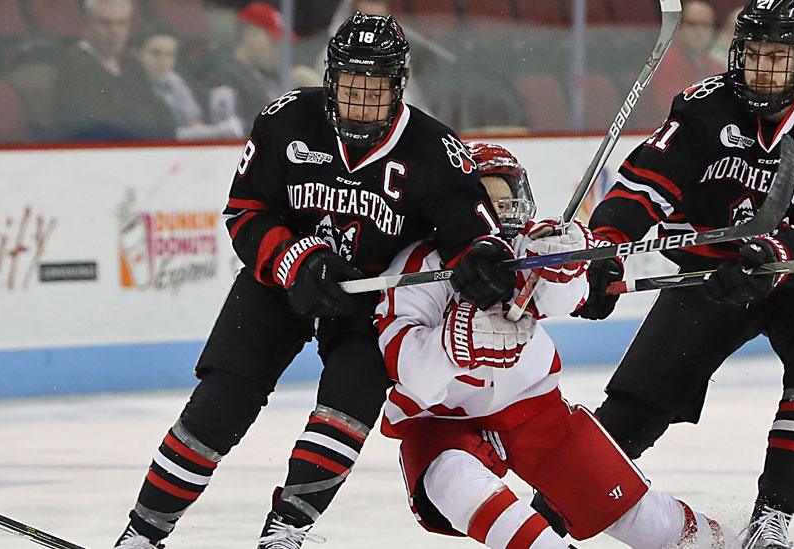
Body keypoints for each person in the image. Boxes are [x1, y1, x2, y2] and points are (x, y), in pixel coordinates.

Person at [115, 12, 517, 549]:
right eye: (352, 86)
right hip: (283, 282)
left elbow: (477, 239)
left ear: (399, 86)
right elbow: (244, 211)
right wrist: (294, 261)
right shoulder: (286, 120)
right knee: (219, 404)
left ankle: (287, 530)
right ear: (331, 79)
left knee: (346, 408)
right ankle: (142, 533)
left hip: (372, 301)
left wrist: (483, 263)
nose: (361, 101)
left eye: (376, 89)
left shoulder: (433, 149)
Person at [540, 1, 794, 547]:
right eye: (754, 55)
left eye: (778, 57)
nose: (762, 69)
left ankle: (772, 517)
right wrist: (604, 249)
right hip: (712, 277)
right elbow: (643, 186)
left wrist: (770, 258)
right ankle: (551, 510)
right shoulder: (702, 107)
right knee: (636, 404)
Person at [378, 141, 733, 549]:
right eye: (483, 200)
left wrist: (566, 263)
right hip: (441, 421)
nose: (499, 213)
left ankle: (728, 544)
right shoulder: (418, 266)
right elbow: (404, 365)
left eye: (506, 199)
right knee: (452, 479)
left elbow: (569, 299)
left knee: (640, 518)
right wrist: (457, 343)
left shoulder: (527, 247)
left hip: (535, 411)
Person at [54, 0, 175, 141]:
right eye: (105, 23)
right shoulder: (75, 67)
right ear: (87, 25)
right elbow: (103, 125)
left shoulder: (131, 66)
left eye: (121, 23)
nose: (114, 31)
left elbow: (163, 113)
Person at [133, 26, 245, 141]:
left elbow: (193, 122)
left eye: (169, 55)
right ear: (137, 54)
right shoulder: (130, 87)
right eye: (156, 53)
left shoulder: (175, 82)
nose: (163, 60)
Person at [646, 0, 724, 125]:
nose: (699, 31)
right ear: (678, 27)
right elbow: (676, 110)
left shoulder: (715, 65)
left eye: (705, 25)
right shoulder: (664, 63)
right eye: (692, 24)